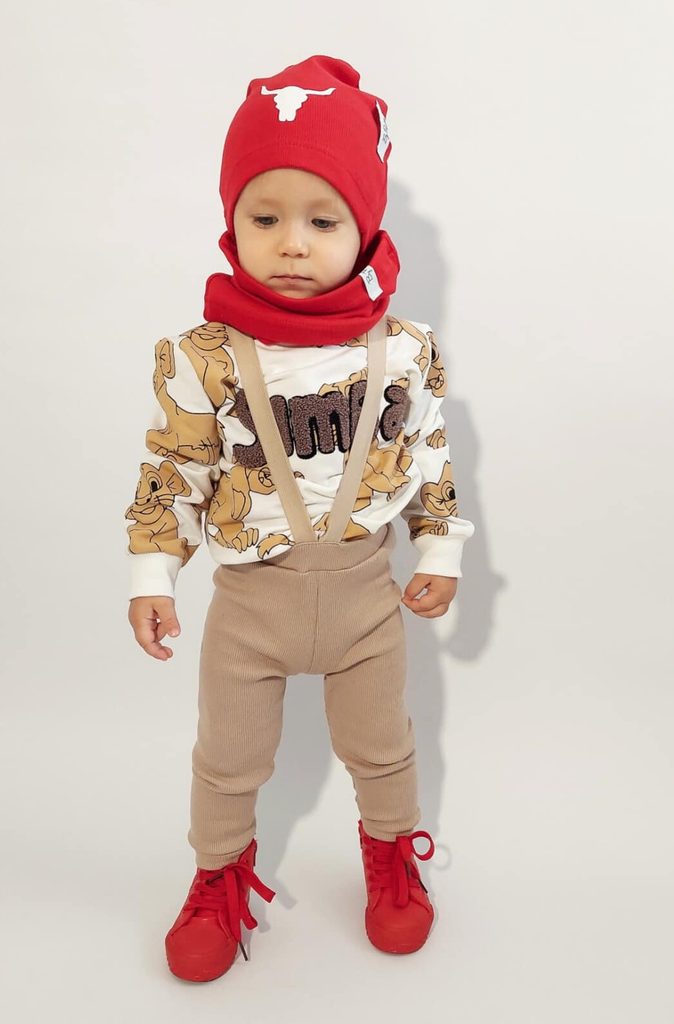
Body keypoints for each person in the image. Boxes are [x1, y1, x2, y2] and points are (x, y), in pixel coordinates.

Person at [125, 54, 475, 983]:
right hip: (252, 603)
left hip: (364, 599)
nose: (290, 244)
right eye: (264, 218)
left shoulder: (403, 352)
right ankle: (218, 873)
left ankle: (392, 854)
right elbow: (173, 469)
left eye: (322, 221)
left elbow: (429, 453)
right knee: (228, 755)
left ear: (365, 229)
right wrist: (154, 574)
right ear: (230, 223)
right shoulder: (203, 357)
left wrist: (439, 547)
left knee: (383, 746)